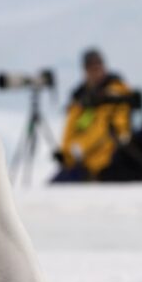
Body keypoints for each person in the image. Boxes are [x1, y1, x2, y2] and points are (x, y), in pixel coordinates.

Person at [53, 48, 133, 182]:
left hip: (104, 164)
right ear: (85, 71)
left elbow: (109, 131)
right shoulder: (81, 100)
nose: (95, 72)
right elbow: (71, 131)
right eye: (91, 68)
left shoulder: (114, 95)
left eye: (98, 67)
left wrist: (77, 149)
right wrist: (67, 154)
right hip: (79, 164)